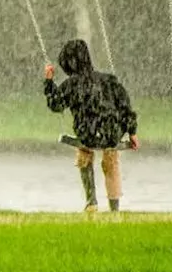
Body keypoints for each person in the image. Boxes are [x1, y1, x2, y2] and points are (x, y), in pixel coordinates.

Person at [44, 39, 140, 212]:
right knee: (111, 159)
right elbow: (124, 106)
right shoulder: (109, 81)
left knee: (84, 153)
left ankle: (91, 201)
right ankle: (114, 206)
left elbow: (55, 104)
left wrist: (49, 82)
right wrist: (132, 132)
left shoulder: (71, 84)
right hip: (112, 134)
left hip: (87, 133)